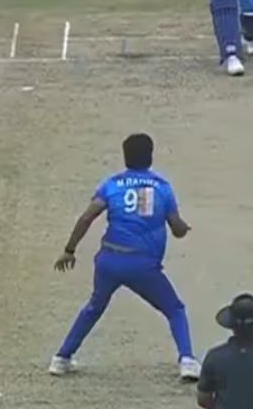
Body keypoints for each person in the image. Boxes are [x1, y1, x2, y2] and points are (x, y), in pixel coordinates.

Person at [49, 133, 200, 381]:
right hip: (142, 265)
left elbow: (87, 217)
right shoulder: (161, 187)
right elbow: (176, 227)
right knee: (174, 309)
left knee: (94, 307)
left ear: (125, 157)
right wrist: (184, 228)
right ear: (150, 156)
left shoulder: (112, 184)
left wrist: (69, 249)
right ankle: (187, 360)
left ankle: (61, 358)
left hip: (109, 260)